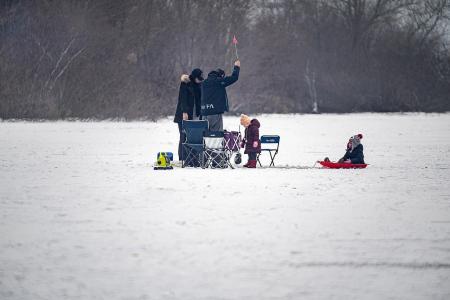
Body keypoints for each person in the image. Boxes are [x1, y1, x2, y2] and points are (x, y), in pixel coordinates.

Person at [201, 60, 240, 131]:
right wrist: (237, 67)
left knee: (205, 135)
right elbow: (234, 78)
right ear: (221, 76)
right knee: (216, 136)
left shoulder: (203, 83)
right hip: (215, 114)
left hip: (204, 113)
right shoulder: (219, 81)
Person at [173, 68, 203, 161]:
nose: (200, 80)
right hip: (183, 115)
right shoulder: (185, 84)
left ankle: (192, 157)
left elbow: (199, 101)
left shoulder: (198, 85)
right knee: (183, 136)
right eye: (199, 78)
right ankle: (182, 158)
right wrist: (184, 112)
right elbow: (183, 98)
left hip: (194, 116)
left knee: (192, 137)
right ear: (195, 77)